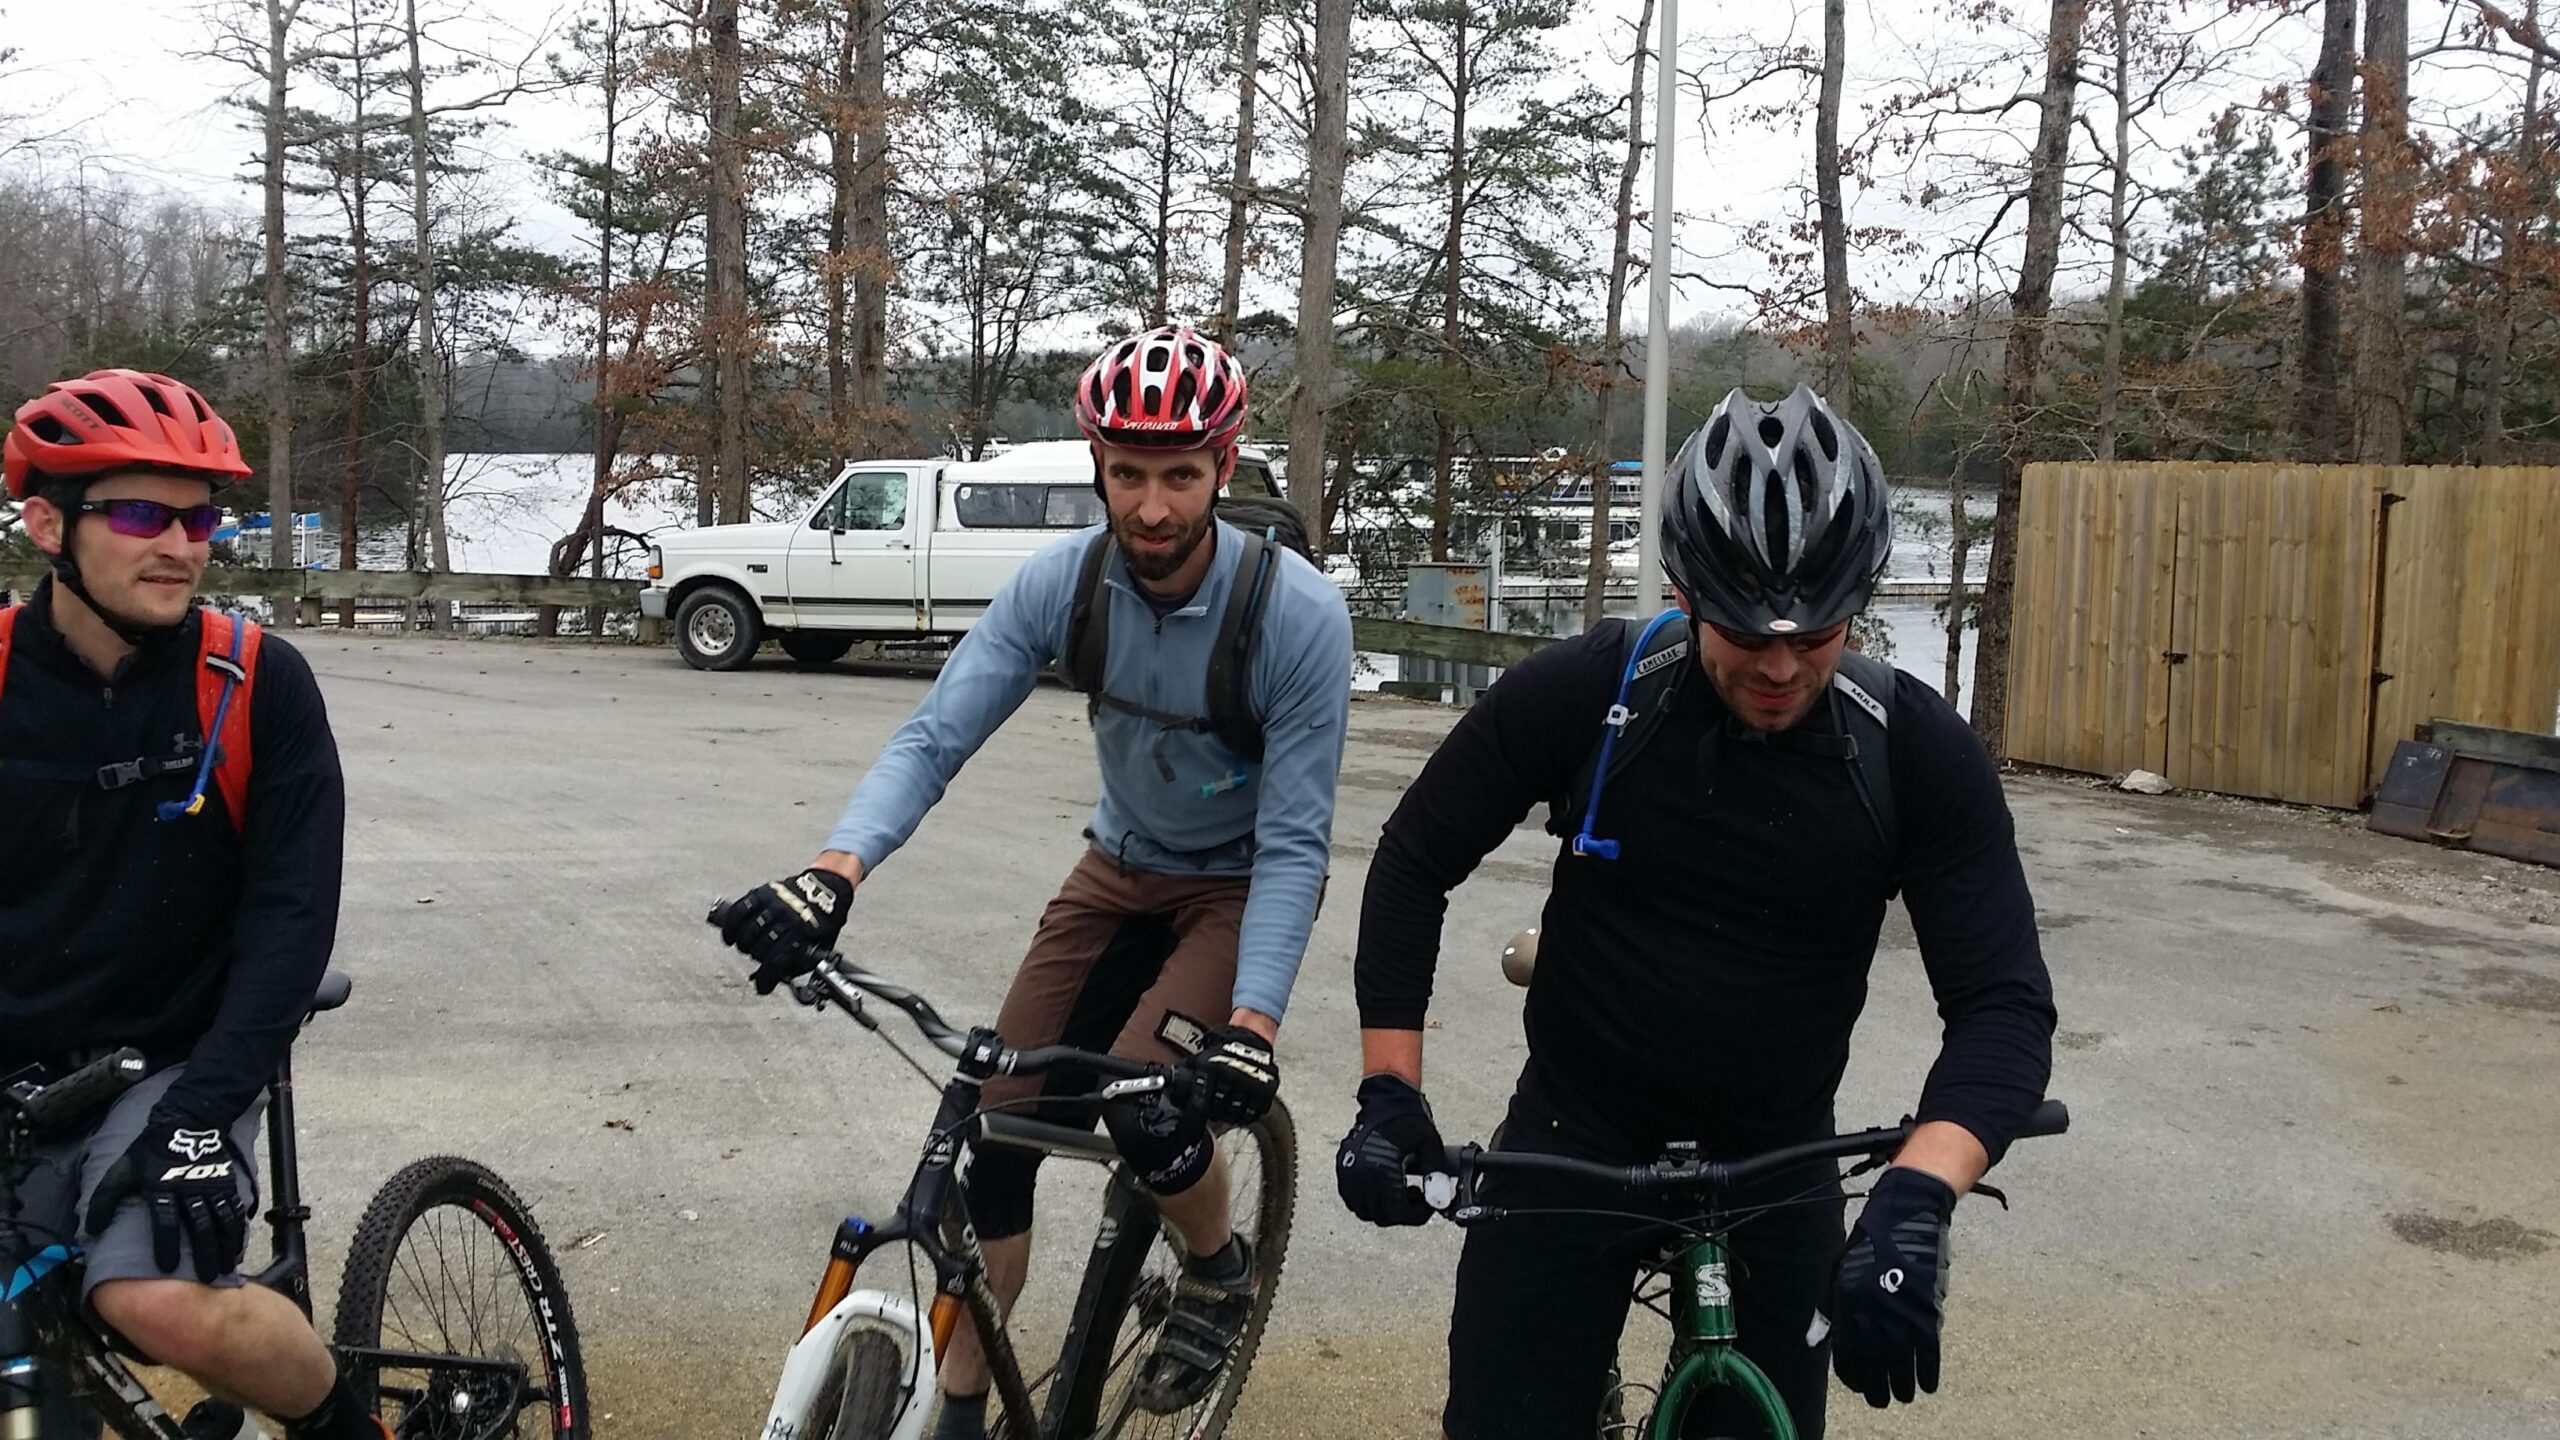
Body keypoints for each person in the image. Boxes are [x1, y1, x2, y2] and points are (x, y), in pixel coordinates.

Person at [1336, 385, 2058, 1439]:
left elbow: (2002, 1006)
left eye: (1815, 635)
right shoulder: (1590, 690)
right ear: (1683, 589)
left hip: (1776, 1151)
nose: (1777, 666)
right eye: (1743, 632)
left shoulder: (1910, 750)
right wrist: (1388, 1096)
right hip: (1574, 1128)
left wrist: (1916, 1196)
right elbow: (1412, 862)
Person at [713, 326, 1352, 1438]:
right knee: (993, 1138)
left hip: (1234, 884)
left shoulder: (1295, 616)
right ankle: (963, 1414)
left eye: (1181, 477)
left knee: (1149, 1110)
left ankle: (1217, 1262)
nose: (1152, 508)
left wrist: (1252, 1022)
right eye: (1129, 475)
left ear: (1225, 466)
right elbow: (932, 739)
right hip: (1117, 869)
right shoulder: (1064, 585)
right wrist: (832, 872)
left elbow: (1296, 842)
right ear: (1096, 462)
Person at [0, 370, 377, 1439]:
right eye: (136, 513)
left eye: (199, 517)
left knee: (154, 1300)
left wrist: (200, 1115)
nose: (178, 543)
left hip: (177, 1053)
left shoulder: (256, 682)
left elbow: (291, 921)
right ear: (45, 523)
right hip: (20, 1064)